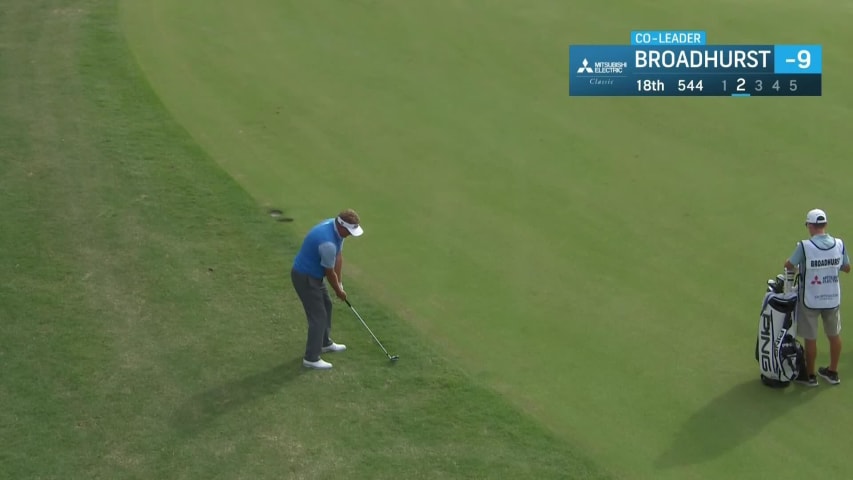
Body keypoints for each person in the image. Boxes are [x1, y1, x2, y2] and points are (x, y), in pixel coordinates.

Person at [291, 209, 364, 369]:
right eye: (350, 231)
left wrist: (341, 284)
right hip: (305, 277)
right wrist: (338, 290)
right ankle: (311, 358)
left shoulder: (336, 229)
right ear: (342, 225)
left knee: (327, 305)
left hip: (313, 276)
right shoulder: (327, 244)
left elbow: (338, 257)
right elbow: (329, 272)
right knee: (318, 316)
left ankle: (324, 343)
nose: (351, 234)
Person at [785, 208, 849, 386]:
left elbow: (789, 265)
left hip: (811, 299)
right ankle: (833, 372)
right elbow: (846, 267)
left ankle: (810, 376)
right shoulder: (839, 244)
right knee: (834, 335)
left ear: (810, 226)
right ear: (825, 225)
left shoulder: (804, 246)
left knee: (810, 338)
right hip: (832, 298)